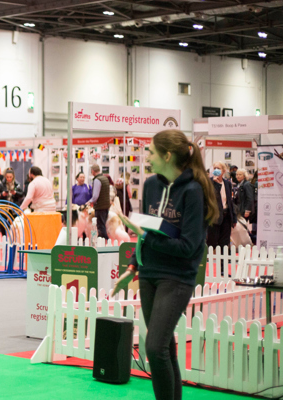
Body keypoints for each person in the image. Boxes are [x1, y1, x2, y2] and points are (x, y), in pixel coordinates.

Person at [115, 129, 218, 400]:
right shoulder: (150, 185)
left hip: (178, 277)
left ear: (167, 155)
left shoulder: (194, 191)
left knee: (155, 347)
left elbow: (188, 248)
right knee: (165, 348)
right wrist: (132, 268)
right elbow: (145, 233)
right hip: (149, 274)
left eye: (150, 151)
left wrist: (146, 239)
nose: (146, 155)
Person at [206, 161, 236, 253]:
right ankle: (208, 263)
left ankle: (223, 265)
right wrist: (216, 184)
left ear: (223, 171)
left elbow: (230, 202)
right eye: (214, 168)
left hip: (226, 216)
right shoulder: (209, 182)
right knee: (212, 242)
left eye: (218, 168)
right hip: (214, 217)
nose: (216, 170)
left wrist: (233, 218)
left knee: (224, 243)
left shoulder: (227, 183)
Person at [87, 164, 110, 239]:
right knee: (103, 225)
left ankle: (105, 241)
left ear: (93, 171)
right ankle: (103, 241)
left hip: (100, 207)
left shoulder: (97, 180)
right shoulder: (105, 178)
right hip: (106, 206)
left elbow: (95, 196)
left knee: (100, 226)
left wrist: (89, 202)